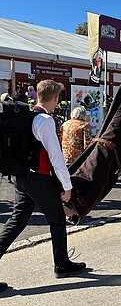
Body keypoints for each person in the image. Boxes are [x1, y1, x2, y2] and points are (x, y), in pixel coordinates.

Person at [0, 80, 86, 291]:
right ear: (56, 98)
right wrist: (67, 187)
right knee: (57, 220)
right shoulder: (46, 121)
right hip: (37, 178)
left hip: (21, 175)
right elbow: (56, 157)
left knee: (17, 221)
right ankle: (62, 264)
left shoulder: (27, 115)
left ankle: (62, 262)